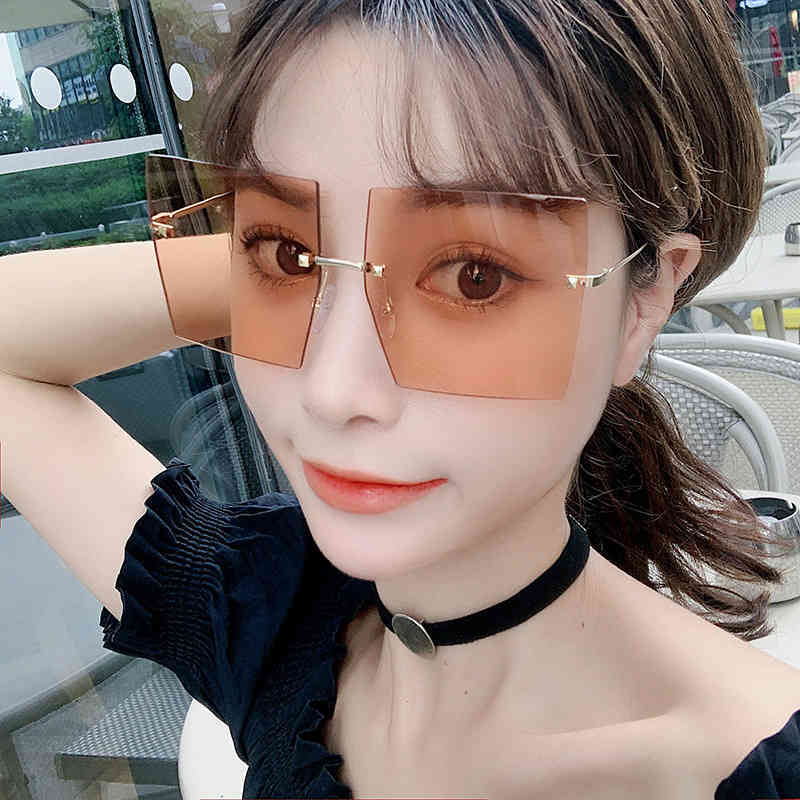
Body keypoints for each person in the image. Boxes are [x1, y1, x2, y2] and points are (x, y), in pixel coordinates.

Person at [2, 1, 800, 798]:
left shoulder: (747, 772)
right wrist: (299, 252)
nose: (333, 390)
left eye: (474, 276)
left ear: (645, 299)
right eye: (284, 253)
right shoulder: (276, 616)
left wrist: (318, 246)